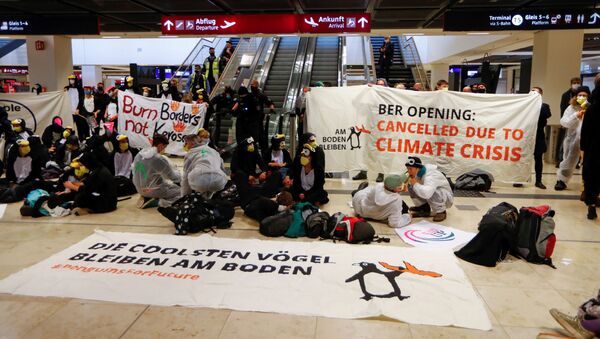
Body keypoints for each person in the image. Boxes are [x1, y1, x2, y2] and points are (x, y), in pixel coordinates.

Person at [132, 134, 181, 208]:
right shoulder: (158, 158)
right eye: (164, 147)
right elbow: (173, 177)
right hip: (152, 190)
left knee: (168, 185)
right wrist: (179, 174)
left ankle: (147, 196)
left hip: (138, 189)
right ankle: (157, 202)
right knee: (181, 192)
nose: (164, 150)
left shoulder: (140, 154)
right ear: (161, 145)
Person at [555, 86, 590, 191]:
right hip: (572, 139)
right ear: (576, 96)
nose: (582, 97)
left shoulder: (592, 107)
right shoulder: (571, 108)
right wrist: (576, 116)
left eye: (584, 95)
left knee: (589, 162)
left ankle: (588, 184)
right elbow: (564, 122)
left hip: (588, 139)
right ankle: (561, 181)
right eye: (580, 95)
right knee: (568, 160)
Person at [405, 156, 453, 222]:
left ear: (418, 168)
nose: (409, 171)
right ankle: (423, 208)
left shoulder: (431, 175)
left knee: (431, 190)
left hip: (444, 197)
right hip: (430, 193)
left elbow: (427, 194)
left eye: (410, 169)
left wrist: (416, 184)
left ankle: (441, 211)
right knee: (411, 186)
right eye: (408, 169)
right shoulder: (418, 172)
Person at [180, 134, 227, 199]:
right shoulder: (214, 151)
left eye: (186, 143)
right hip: (218, 180)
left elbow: (185, 176)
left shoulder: (191, 152)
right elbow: (222, 168)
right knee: (207, 198)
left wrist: (184, 197)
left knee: (196, 182)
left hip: (200, 179)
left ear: (191, 143)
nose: (185, 146)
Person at [581, 75, 600, 219]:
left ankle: (591, 205)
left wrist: (583, 150)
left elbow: (585, 132)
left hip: (594, 149)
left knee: (592, 177)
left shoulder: (592, 108)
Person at [529, 87, 552, 189]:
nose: (533, 93)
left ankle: (538, 181)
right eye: (532, 91)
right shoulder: (524, 106)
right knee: (522, 158)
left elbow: (547, 114)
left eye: (536, 92)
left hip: (538, 137)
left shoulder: (544, 106)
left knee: (538, 160)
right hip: (526, 136)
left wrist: (537, 104)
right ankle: (519, 179)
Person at [557, 77, 583, 167]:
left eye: (578, 82)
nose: (576, 84)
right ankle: (561, 160)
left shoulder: (584, 99)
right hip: (569, 123)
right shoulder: (566, 95)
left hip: (580, 126)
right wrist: (563, 122)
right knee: (565, 143)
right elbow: (563, 108)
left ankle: (577, 162)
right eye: (574, 82)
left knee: (579, 144)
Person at [250, 80, 275, 153]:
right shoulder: (250, 95)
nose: (251, 86)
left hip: (259, 119)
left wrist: (271, 108)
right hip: (251, 119)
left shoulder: (260, 95)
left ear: (257, 86)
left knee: (261, 135)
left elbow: (269, 102)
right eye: (251, 85)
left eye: (253, 85)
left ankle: (264, 151)